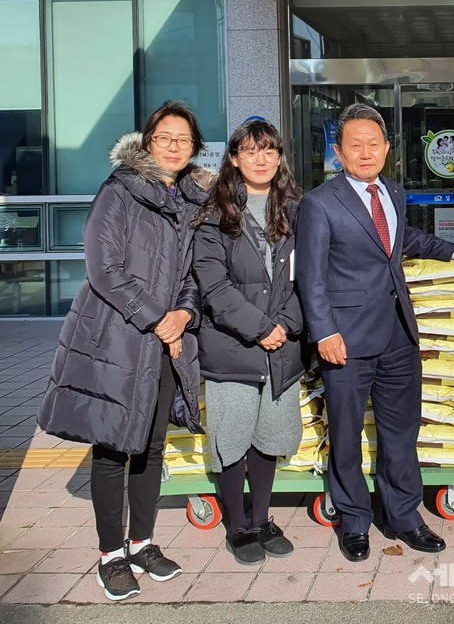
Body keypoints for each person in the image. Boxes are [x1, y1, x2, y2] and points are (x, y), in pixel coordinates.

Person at [38, 102, 213, 601]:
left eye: (184, 139)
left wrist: (182, 314)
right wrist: (156, 318)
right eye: (165, 137)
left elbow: (191, 273)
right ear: (148, 141)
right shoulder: (120, 190)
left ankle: (143, 542)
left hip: (164, 342)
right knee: (114, 447)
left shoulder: (190, 200)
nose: (175, 146)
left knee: (152, 446)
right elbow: (103, 267)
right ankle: (110, 555)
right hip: (117, 339)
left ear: (195, 147)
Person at [297, 104, 454, 562]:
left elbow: (403, 240)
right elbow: (311, 277)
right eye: (355, 144)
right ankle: (354, 521)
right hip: (346, 340)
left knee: (401, 432)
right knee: (347, 432)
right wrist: (324, 333)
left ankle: (405, 516)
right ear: (338, 152)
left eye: (374, 143)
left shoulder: (392, 192)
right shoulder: (319, 203)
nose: (365, 152)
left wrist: (452, 250)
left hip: (398, 334)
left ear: (388, 149)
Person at [192, 118, 305, 565]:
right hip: (233, 347)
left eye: (270, 150)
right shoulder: (215, 213)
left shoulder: (297, 209)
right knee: (232, 437)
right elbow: (213, 287)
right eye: (251, 150)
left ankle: (261, 518)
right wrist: (261, 328)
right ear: (235, 158)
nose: (261, 159)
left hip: (282, 346)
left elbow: (311, 278)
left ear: (280, 157)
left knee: (268, 436)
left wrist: (287, 324)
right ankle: (237, 526)